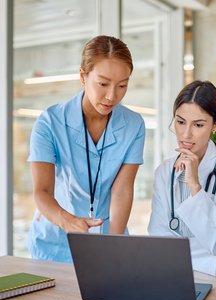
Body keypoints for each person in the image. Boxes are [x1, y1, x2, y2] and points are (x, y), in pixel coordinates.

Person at [27, 35, 145, 263]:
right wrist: (68, 221)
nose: (112, 96)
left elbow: (122, 191)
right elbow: (41, 191)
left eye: (122, 85)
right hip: (55, 240)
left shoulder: (133, 125)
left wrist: (114, 244)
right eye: (103, 84)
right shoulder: (49, 122)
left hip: (109, 235)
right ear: (83, 76)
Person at [148, 80, 216, 286]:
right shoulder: (164, 172)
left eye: (198, 125)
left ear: (215, 125)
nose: (186, 134)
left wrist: (195, 185)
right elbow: (159, 245)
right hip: (175, 271)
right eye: (180, 122)